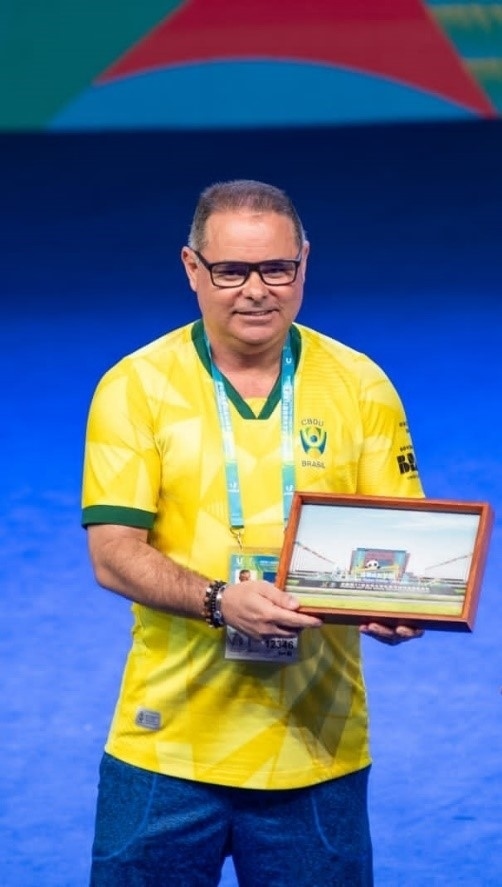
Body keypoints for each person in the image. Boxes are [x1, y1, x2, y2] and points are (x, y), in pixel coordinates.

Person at [82, 179, 424, 886]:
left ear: (304, 262)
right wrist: (218, 601)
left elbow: (401, 543)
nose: (257, 291)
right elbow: (114, 555)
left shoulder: (362, 385)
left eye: (277, 268)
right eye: (231, 271)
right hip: (165, 745)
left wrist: (400, 604)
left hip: (318, 750)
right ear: (192, 268)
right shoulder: (135, 387)